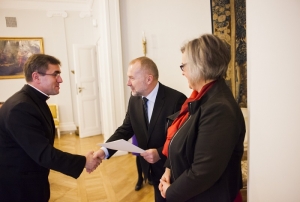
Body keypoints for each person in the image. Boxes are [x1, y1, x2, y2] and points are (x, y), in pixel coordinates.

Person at [0, 54, 101, 202]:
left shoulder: (31, 100)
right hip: (19, 187)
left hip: (30, 179)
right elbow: (44, 153)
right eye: (56, 74)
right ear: (36, 77)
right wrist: (84, 161)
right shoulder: (21, 107)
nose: (60, 80)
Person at [158, 34, 246, 202]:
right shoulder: (200, 98)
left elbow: (204, 171)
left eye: (183, 66)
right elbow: (181, 141)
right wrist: (168, 171)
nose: (182, 72)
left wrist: (171, 192)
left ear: (200, 66)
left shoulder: (219, 109)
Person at [93, 56, 187, 202]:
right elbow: (125, 129)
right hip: (150, 169)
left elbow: (182, 140)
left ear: (148, 79)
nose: (127, 83)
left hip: (171, 171)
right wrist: (104, 150)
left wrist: (160, 153)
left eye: (131, 78)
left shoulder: (176, 100)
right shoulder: (134, 99)